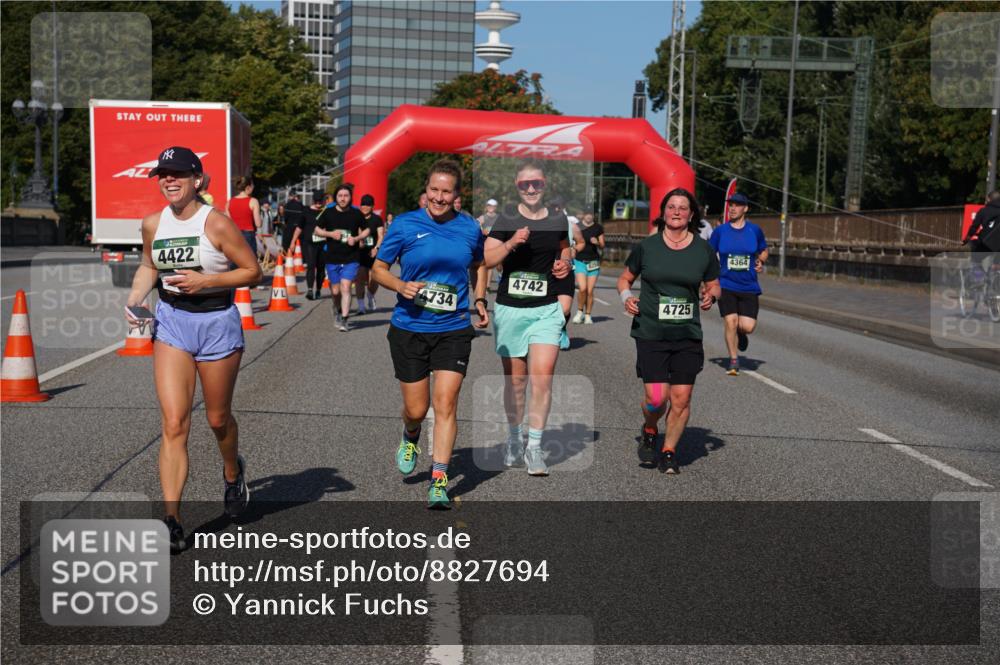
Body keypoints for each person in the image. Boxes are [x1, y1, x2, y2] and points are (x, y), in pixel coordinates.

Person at [124, 146, 262, 551]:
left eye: (178, 174)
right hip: (172, 324)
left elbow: (252, 270)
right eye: (163, 174)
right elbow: (150, 264)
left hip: (217, 323)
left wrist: (207, 282)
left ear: (197, 180)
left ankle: (233, 472)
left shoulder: (215, 224)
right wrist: (136, 299)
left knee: (218, 420)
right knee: (174, 423)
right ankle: (171, 519)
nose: (169, 180)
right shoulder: (153, 223)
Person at [372, 159, 489, 509]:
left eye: (446, 191)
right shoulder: (406, 225)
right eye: (434, 190)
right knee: (417, 409)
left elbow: (480, 264)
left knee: (446, 404)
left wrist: (479, 297)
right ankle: (410, 435)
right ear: (426, 191)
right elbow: (378, 270)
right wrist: (400, 285)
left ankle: (439, 479)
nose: (439, 197)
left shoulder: (468, 228)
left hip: (453, 329)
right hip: (409, 328)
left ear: (456, 195)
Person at [617, 188, 720, 474]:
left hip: (687, 334)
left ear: (691, 215)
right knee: (656, 399)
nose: (676, 212)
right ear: (663, 212)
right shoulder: (647, 247)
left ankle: (669, 451)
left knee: (682, 398)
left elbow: (713, 283)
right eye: (671, 207)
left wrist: (711, 295)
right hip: (651, 332)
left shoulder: (703, 250)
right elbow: (624, 279)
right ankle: (650, 429)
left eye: (682, 208)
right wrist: (627, 299)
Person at [484, 159, 573, 476]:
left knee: (543, 376)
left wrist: (564, 263)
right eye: (525, 184)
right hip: (511, 309)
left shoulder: (558, 219)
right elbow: (488, 258)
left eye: (536, 183)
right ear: (517, 187)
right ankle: (513, 438)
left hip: (545, 309)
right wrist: (510, 242)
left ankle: (535, 448)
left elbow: (565, 250)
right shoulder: (506, 218)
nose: (531, 188)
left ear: (545, 185)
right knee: (517, 382)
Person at [709, 192, 768, 376]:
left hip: (748, 285)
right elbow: (709, 254)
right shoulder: (720, 231)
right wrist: (709, 281)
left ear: (745, 208)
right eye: (731, 205)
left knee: (747, 327)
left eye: (737, 205)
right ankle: (733, 360)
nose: (732, 208)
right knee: (730, 321)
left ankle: (740, 335)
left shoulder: (754, 231)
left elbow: (764, 250)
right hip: (726, 283)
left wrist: (761, 261)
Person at [312, 184, 369, 331]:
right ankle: (337, 309)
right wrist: (330, 234)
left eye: (346, 196)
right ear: (336, 197)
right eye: (340, 196)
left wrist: (356, 239)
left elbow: (367, 229)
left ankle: (345, 319)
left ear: (350, 198)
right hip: (332, 257)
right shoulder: (328, 212)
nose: (343, 199)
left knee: (346, 286)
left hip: (352, 257)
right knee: (335, 291)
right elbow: (317, 229)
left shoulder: (356, 214)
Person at [548, 195, 584, 350]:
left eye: (559, 206)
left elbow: (581, 242)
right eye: (553, 207)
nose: (556, 209)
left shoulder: (571, 225)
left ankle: (561, 327)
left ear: (562, 208)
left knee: (565, 308)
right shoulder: (541, 224)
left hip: (566, 267)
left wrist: (574, 249)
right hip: (545, 268)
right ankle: (546, 333)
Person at [290, 190, 327, 300]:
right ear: (313, 200)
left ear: (323, 201)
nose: (318, 203)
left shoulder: (326, 212)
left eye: (320, 201)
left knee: (321, 268)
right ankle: (310, 290)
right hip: (309, 243)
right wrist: (293, 241)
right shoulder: (306, 211)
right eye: (317, 201)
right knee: (311, 265)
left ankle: (319, 289)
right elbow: (299, 227)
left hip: (323, 243)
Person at [572, 211, 605, 325]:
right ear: (583, 215)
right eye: (587, 213)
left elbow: (602, 245)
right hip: (580, 260)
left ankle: (588, 315)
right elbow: (572, 241)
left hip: (593, 262)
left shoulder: (598, 228)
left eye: (591, 214)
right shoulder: (577, 227)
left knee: (590, 291)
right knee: (582, 288)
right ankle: (579, 312)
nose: (589, 216)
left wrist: (597, 243)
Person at [356, 193, 385, 314]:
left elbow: (381, 236)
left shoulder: (376, 219)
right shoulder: (356, 217)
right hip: (359, 252)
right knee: (360, 278)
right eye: (363, 204)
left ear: (372, 206)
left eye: (368, 205)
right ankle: (361, 306)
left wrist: (376, 248)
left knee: (374, 278)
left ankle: (370, 294)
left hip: (373, 252)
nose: (365, 207)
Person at [964, 190, 1000, 276]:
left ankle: (979, 278)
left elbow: (974, 227)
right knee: (997, 262)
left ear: (988, 199)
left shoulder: (984, 211)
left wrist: (967, 238)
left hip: (986, 243)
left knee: (975, 258)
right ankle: (996, 273)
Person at [226, 176, 262, 256]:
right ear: (248, 187)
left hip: (234, 234)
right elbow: (258, 224)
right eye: (252, 185)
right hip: (248, 235)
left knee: (235, 261)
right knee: (250, 263)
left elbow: (228, 223)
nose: (253, 188)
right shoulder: (253, 201)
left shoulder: (229, 202)